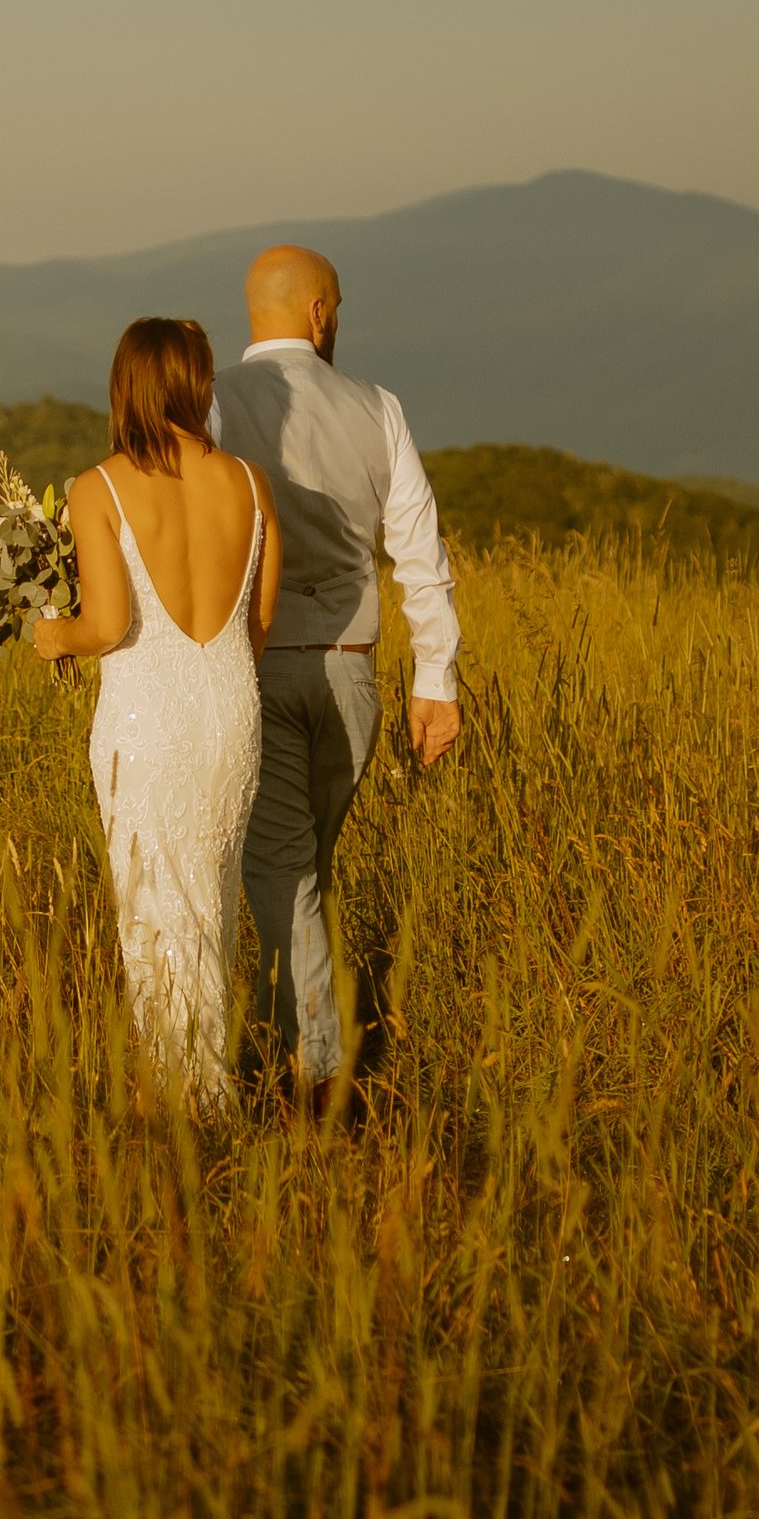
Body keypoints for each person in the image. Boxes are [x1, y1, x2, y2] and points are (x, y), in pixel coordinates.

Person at [212, 245, 460, 1093]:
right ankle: (299, 1054)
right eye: (339, 306)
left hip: (255, 672)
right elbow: (420, 557)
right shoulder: (377, 406)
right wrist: (437, 682)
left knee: (286, 879)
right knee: (301, 875)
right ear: (319, 314)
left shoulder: (209, 403)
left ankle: (319, 1083)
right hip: (354, 676)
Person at [32, 316, 283, 1112]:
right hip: (232, 709)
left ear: (128, 385)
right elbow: (259, 628)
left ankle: (190, 1107)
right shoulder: (250, 483)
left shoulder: (98, 487)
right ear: (196, 381)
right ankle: (199, 1083)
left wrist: (51, 635)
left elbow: (106, 626)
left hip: (148, 717)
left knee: (153, 907)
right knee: (210, 897)